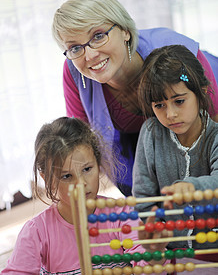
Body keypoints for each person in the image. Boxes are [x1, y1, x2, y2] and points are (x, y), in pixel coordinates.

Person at [52, 0, 218, 197]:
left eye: (99, 36)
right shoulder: (74, 72)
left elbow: (213, 125)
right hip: (141, 155)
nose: (90, 55)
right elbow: (83, 146)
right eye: (75, 48)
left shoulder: (177, 52)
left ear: (125, 31)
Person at [1, 117, 172, 274]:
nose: (81, 183)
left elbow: (147, 268)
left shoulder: (121, 215)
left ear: (98, 164)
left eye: (87, 169)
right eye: (67, 176)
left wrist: (153, 253)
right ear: (48, 180)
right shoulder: (37, 231)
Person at [133, 45, 218, 257]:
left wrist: (192, 187)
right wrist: (155, 227)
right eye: (159, 105)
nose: (170, 114)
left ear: (202, 91)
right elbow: (143, 195)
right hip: (171, 256)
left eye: (179, 101)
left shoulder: (215, 136)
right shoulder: (151, 134)